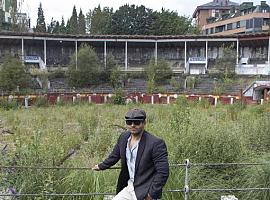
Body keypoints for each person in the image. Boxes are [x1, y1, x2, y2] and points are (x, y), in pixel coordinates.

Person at [92, 108, 169, 200]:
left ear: (144, 123)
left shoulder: (155, 143)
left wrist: (151, 194)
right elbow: (114, 156)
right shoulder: (124, 137)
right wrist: (101, 166)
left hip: (145, 190)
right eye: (129, 122)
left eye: (136, 122)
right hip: (129, 187)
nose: (132, 125)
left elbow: (163, 172)